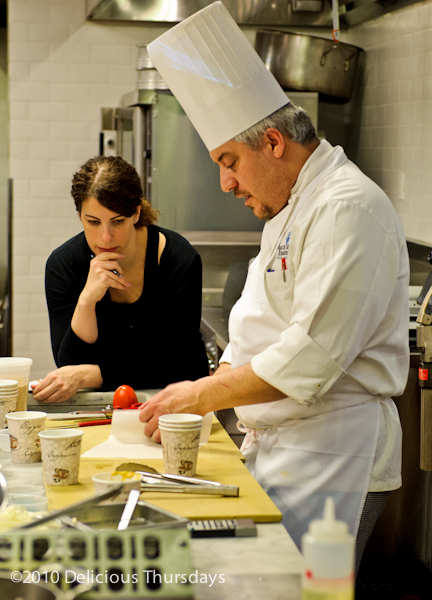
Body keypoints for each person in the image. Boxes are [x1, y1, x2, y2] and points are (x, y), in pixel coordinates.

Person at [138, 1, 410, 571]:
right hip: (284, 450)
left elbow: (310, 358)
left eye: (229, 161)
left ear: (273, 142)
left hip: (334, 456)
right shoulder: (289, 207)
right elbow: (255, 324)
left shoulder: (347, 208)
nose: (225, 182)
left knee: (300, 591)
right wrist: (205, 398)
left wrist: (200, 396)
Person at [32, 156, 209, 404]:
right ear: (79, 215)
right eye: (93, 222)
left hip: (178, 405)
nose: (105, 237)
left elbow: (176, 363)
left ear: (136, 212)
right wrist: (86, 301)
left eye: (117, 221)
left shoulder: (178, 259)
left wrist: (91, 375)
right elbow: (70, 365)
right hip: (101, 406)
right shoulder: (63, 266)